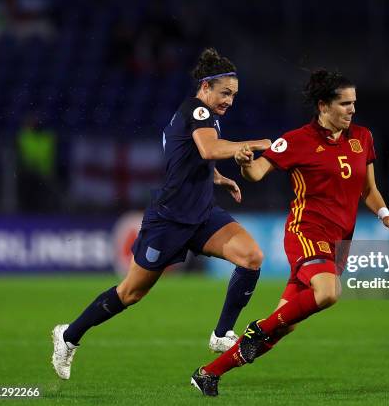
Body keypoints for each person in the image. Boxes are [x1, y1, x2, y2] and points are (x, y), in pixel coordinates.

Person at [51, 48, 272, 379]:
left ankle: (221, 334)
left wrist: (218, 177)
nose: (229, 100)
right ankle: (68, 337)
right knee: (131, 293)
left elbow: (188, 157)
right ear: (206, 87)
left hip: (201, 215)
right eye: (225, 93)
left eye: (234, 95)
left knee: (252, 256)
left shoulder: (198, 116)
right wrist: (258, 144)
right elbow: (209, 148)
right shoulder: (197, 111)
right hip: (168, 220)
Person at [190, 69, 389, 396]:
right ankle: (256, 328)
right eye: (344, 103)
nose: (352, 110)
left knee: (283, 324)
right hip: (306, 230)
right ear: (323, 106)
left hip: (339, 241)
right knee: (329, 292)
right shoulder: (296, 140)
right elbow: (257, 173)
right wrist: (246, 161)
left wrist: (385, 214)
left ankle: (209, 374)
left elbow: (368, 188)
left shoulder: (363, 137)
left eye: (354, 103)